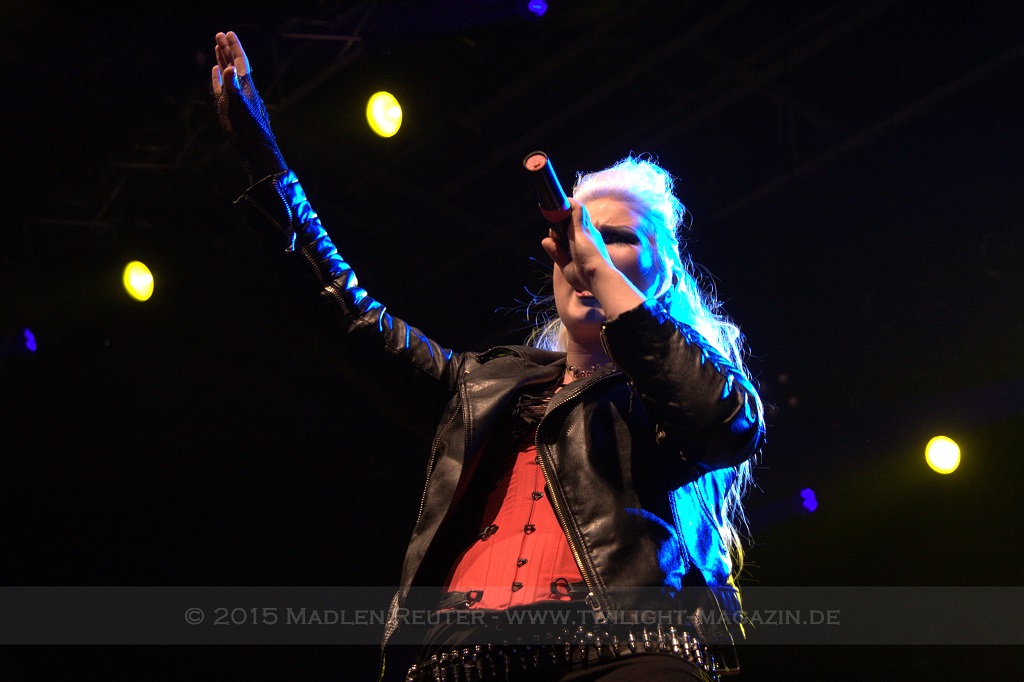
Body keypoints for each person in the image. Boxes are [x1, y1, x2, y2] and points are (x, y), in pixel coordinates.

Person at [212, 29, 764, 682]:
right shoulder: (481, 386)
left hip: (623, 650)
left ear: (661, 273)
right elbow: (348, 316)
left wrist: (607, 279)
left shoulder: (673, 392)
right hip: (464, 661)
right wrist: (269, 169)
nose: (584, 252)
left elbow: (725, 424)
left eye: (612, 238)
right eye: (572, 237)